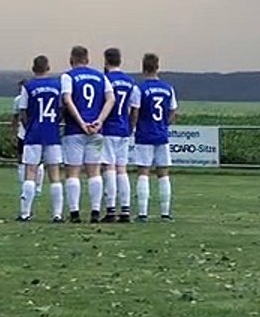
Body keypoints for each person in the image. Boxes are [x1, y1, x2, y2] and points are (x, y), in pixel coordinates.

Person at [60, 45, 115, 222]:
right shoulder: (101, 77)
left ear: (71, 59)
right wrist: (100, 120)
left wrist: (81, 122)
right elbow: (111, 99)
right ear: (87, 59)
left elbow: (67, 100)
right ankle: (95, 211)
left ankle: (75, 213)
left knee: (73, 172)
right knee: (94, 171)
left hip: (75, 130)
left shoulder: (68, 76)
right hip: (97, 130)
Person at [129, 52, 178, 221]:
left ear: (143, 68)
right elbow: (173, 111)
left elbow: (135, 111)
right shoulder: (168, 88)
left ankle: (143, 213)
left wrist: (132, 127)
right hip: (161, 135)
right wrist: (165, 124)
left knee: (143, 172)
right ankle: (165, 213)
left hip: (144, 135)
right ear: (158, 67)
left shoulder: (139, 89)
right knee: (163, 174)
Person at [17, 55, 65, 222]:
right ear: (48, 67)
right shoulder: (57, 85)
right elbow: (61, 109)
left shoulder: (28, 86)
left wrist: (28, 125)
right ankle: (57, 214)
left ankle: (25, 213)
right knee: (54, 174)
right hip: (52, 134)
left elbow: (22, 111)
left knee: (30, 172)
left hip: (33, 134)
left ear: (33, 68)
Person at [99, 48, 136, 223]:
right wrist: (130, 127)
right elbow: (134, 107)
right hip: (123, 128)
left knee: (109, 168)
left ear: (106, 61)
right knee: (122, 169)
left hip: (108, 128)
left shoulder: (104, 80)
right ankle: (126, 209)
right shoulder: (131, 82)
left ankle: (111, 209)